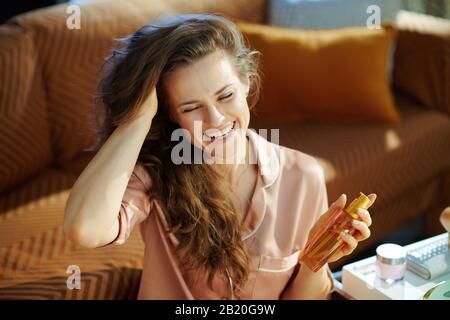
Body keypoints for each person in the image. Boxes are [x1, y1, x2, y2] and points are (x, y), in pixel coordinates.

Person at [63, 13, 376, 300]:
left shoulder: (303, 175)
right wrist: (138, 119)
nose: (214, 119)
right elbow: (85, 229)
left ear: (246, 82)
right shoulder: (155, 174)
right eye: (190, 107)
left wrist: (315, 259)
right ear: (170, 116)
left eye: (225, 96)